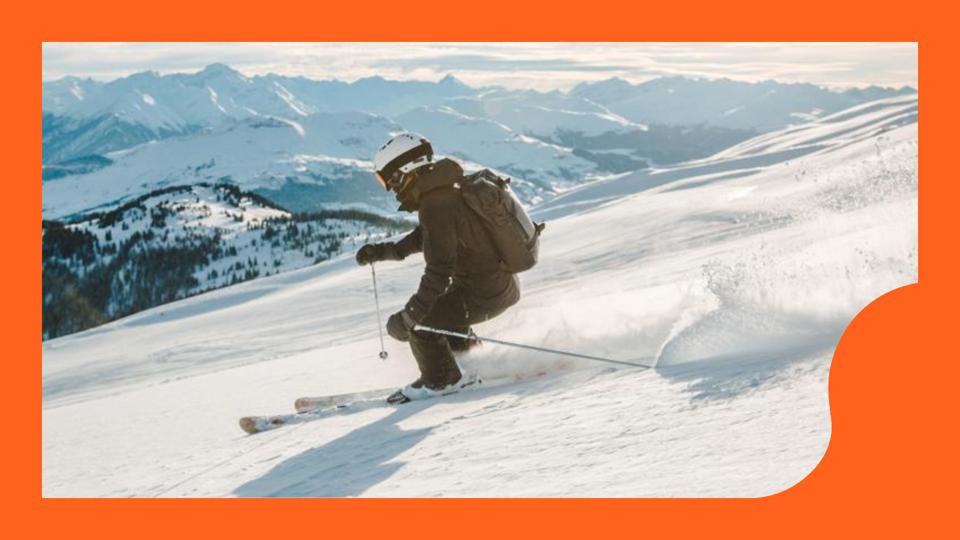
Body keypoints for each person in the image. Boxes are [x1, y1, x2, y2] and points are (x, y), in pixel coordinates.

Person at [356, 133, 521, 403]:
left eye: (387, 179)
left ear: (404, 171)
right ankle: (468, 365)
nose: (389, 188)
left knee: (425, 322)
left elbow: (438, 272)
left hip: (483, 292)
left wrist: (411, 318)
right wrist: (385, 251)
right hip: (495, 285)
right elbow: (429, 237)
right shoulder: (447, 191)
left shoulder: (436, 204)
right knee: (443, 314)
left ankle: (442, 380)